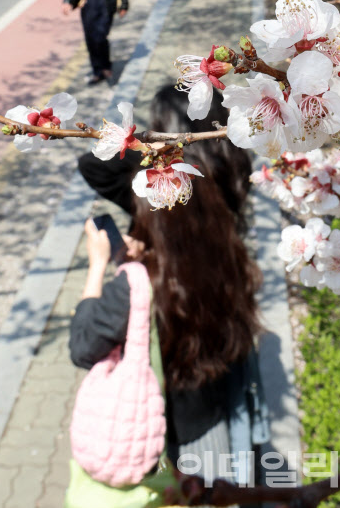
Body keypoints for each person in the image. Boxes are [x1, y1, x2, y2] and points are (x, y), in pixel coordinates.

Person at [68, 87, 269, 502]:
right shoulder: (225, 230)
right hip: (215, 399)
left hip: (167, 426)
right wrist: (161, 149)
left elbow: (83, 346)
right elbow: (96, 167)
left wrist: (98, 266)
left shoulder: (143, 279)